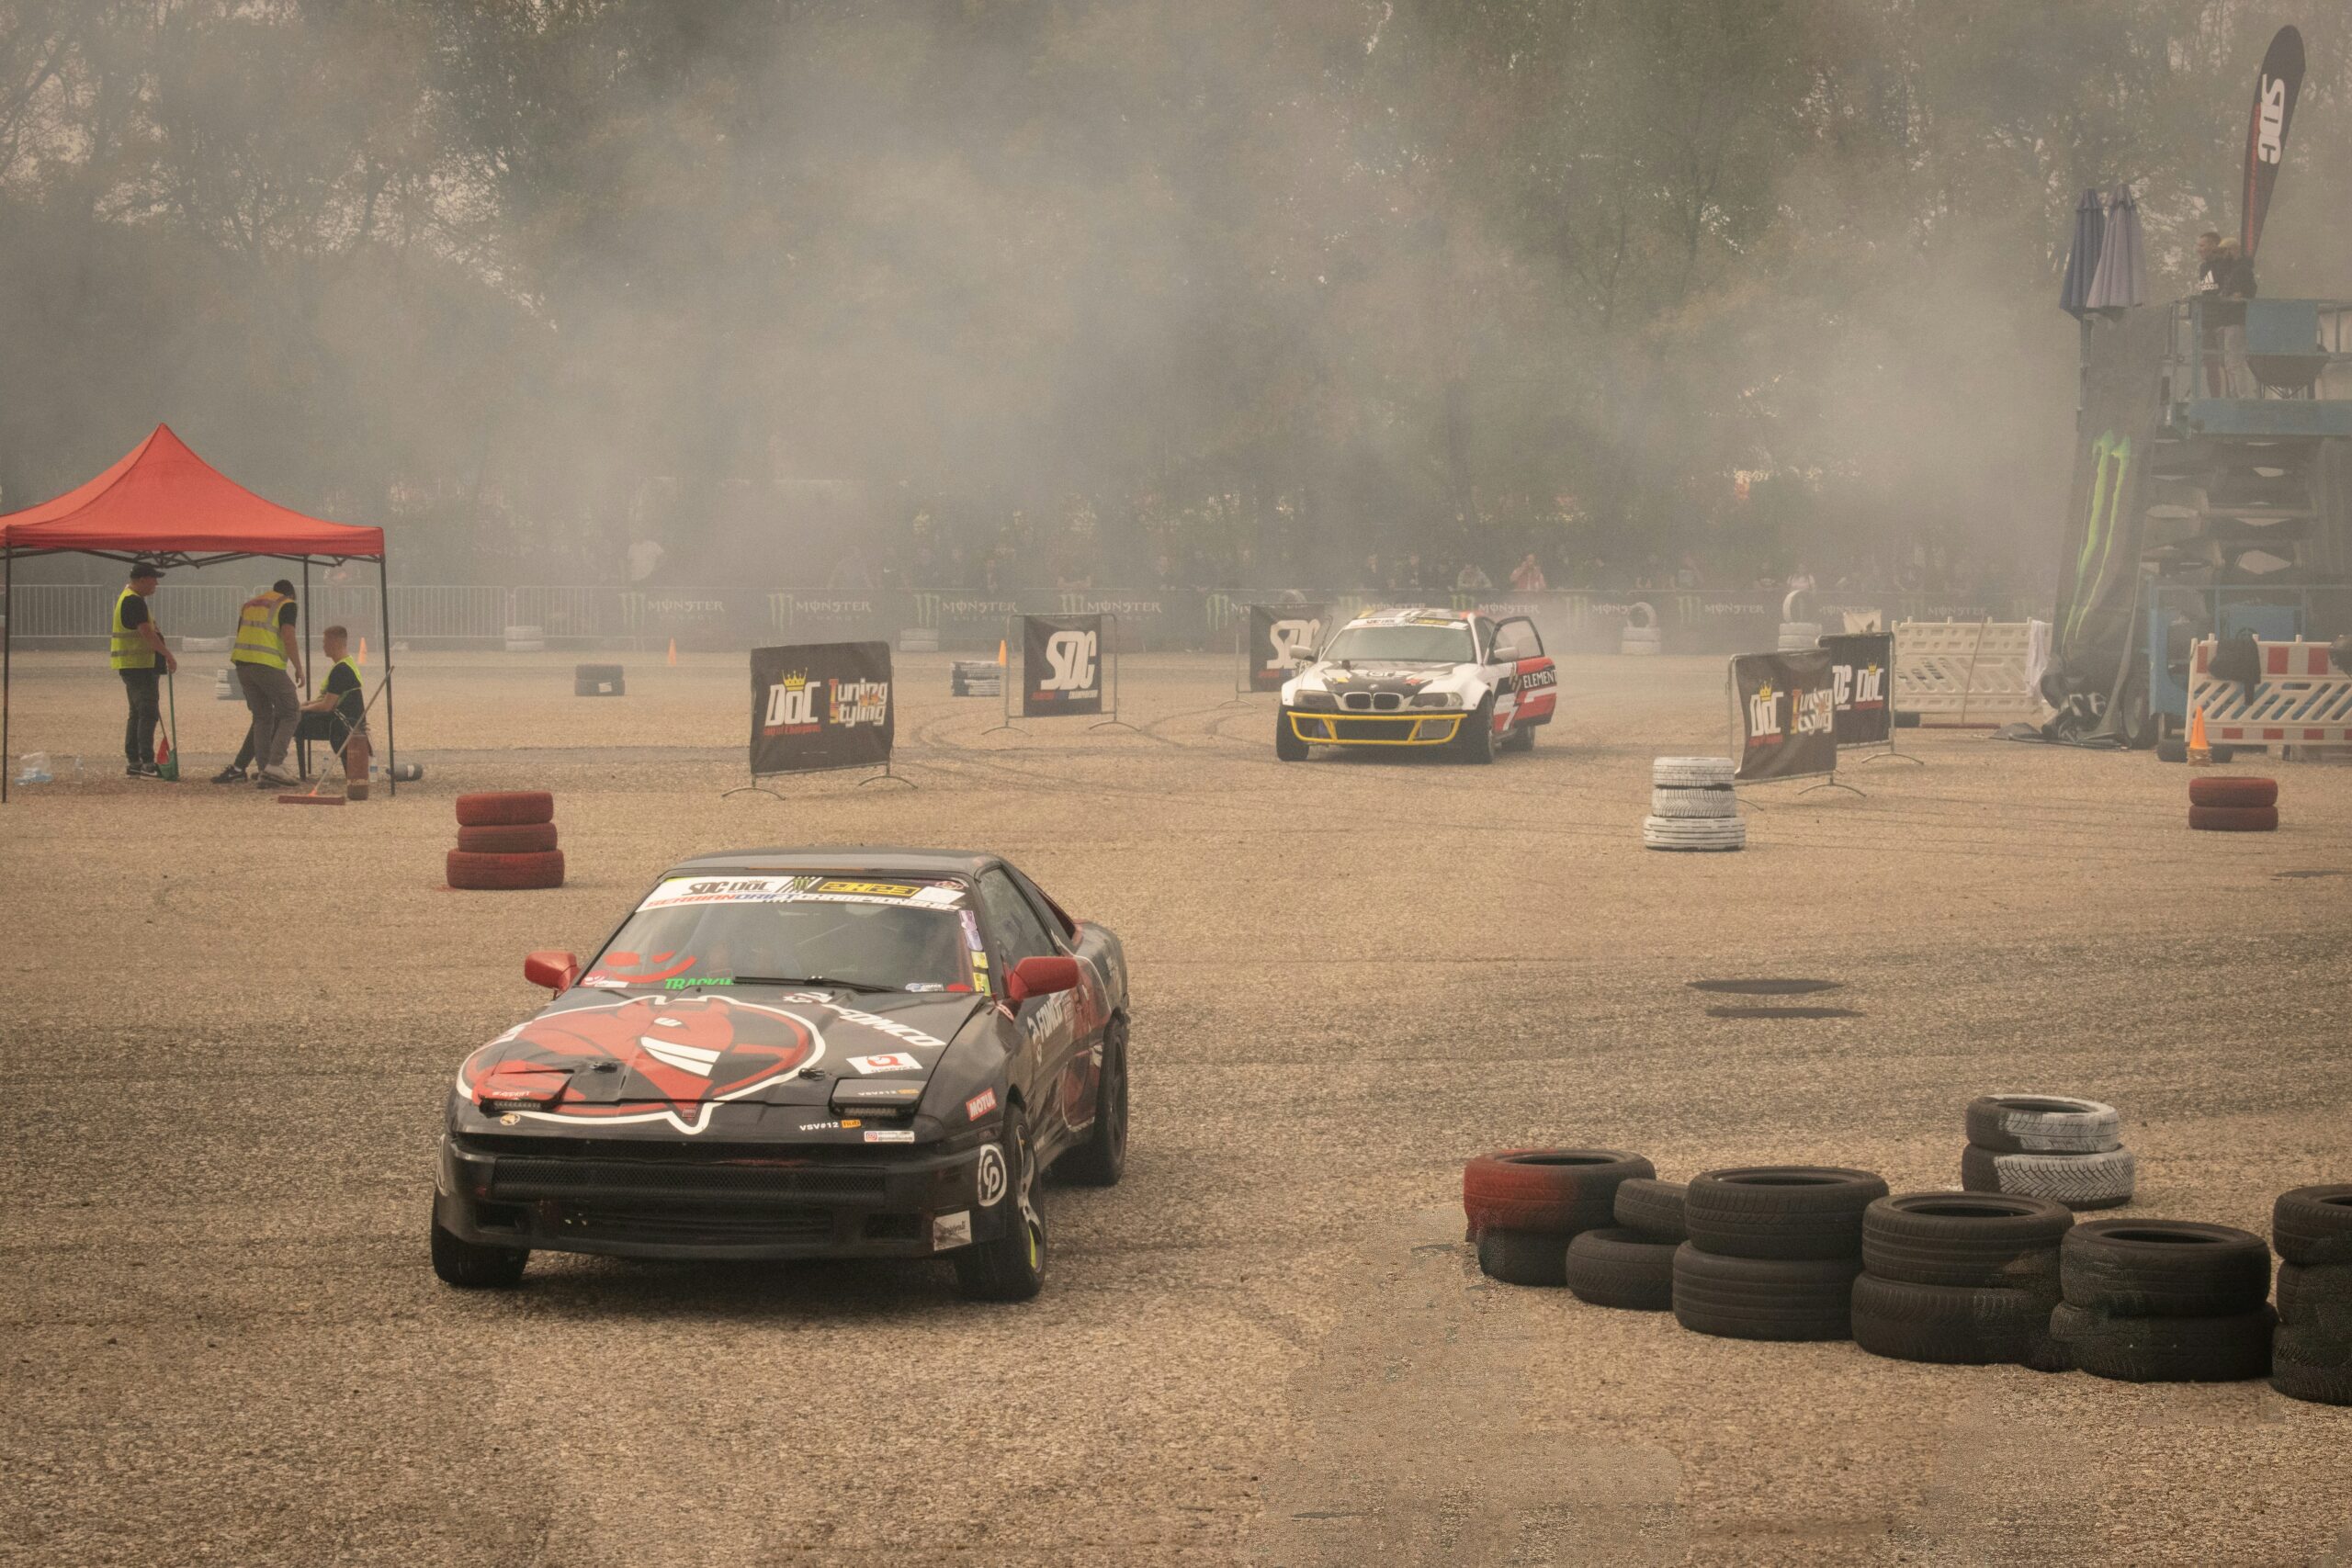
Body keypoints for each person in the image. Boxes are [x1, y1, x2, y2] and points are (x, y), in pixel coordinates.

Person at [230, 578, 303, 789]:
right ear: (291, 595)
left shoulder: (250, 604)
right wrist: (298, 667)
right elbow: (288, 635)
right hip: (267, 664)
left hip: (243, 664)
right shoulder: (286, 604)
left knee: (262, 717)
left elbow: (240, 632)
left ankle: (264, 771)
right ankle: (275, 764)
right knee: (291, 712)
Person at [110, 561, 178, 779]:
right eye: (153, 579)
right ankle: (146, 763)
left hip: (134, 666)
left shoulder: (129, 599)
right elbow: (146, 633)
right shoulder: (134, 601)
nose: (156, 583)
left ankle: (134, 761)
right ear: (141, 580)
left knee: (137, 713)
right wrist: (167, 654)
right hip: (140, 666)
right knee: (148, 712)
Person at [299, 625, 369, 795]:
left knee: (288, 722)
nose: (322, 646)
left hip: (340, 723)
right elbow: (327, 698)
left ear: (335, 642)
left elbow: (327, 706)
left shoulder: (341, 670)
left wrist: (303, 710)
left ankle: (271, 767)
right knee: (291, 716)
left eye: (325, 642)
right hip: (344, 718)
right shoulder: (347, 664)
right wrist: (306, 705)